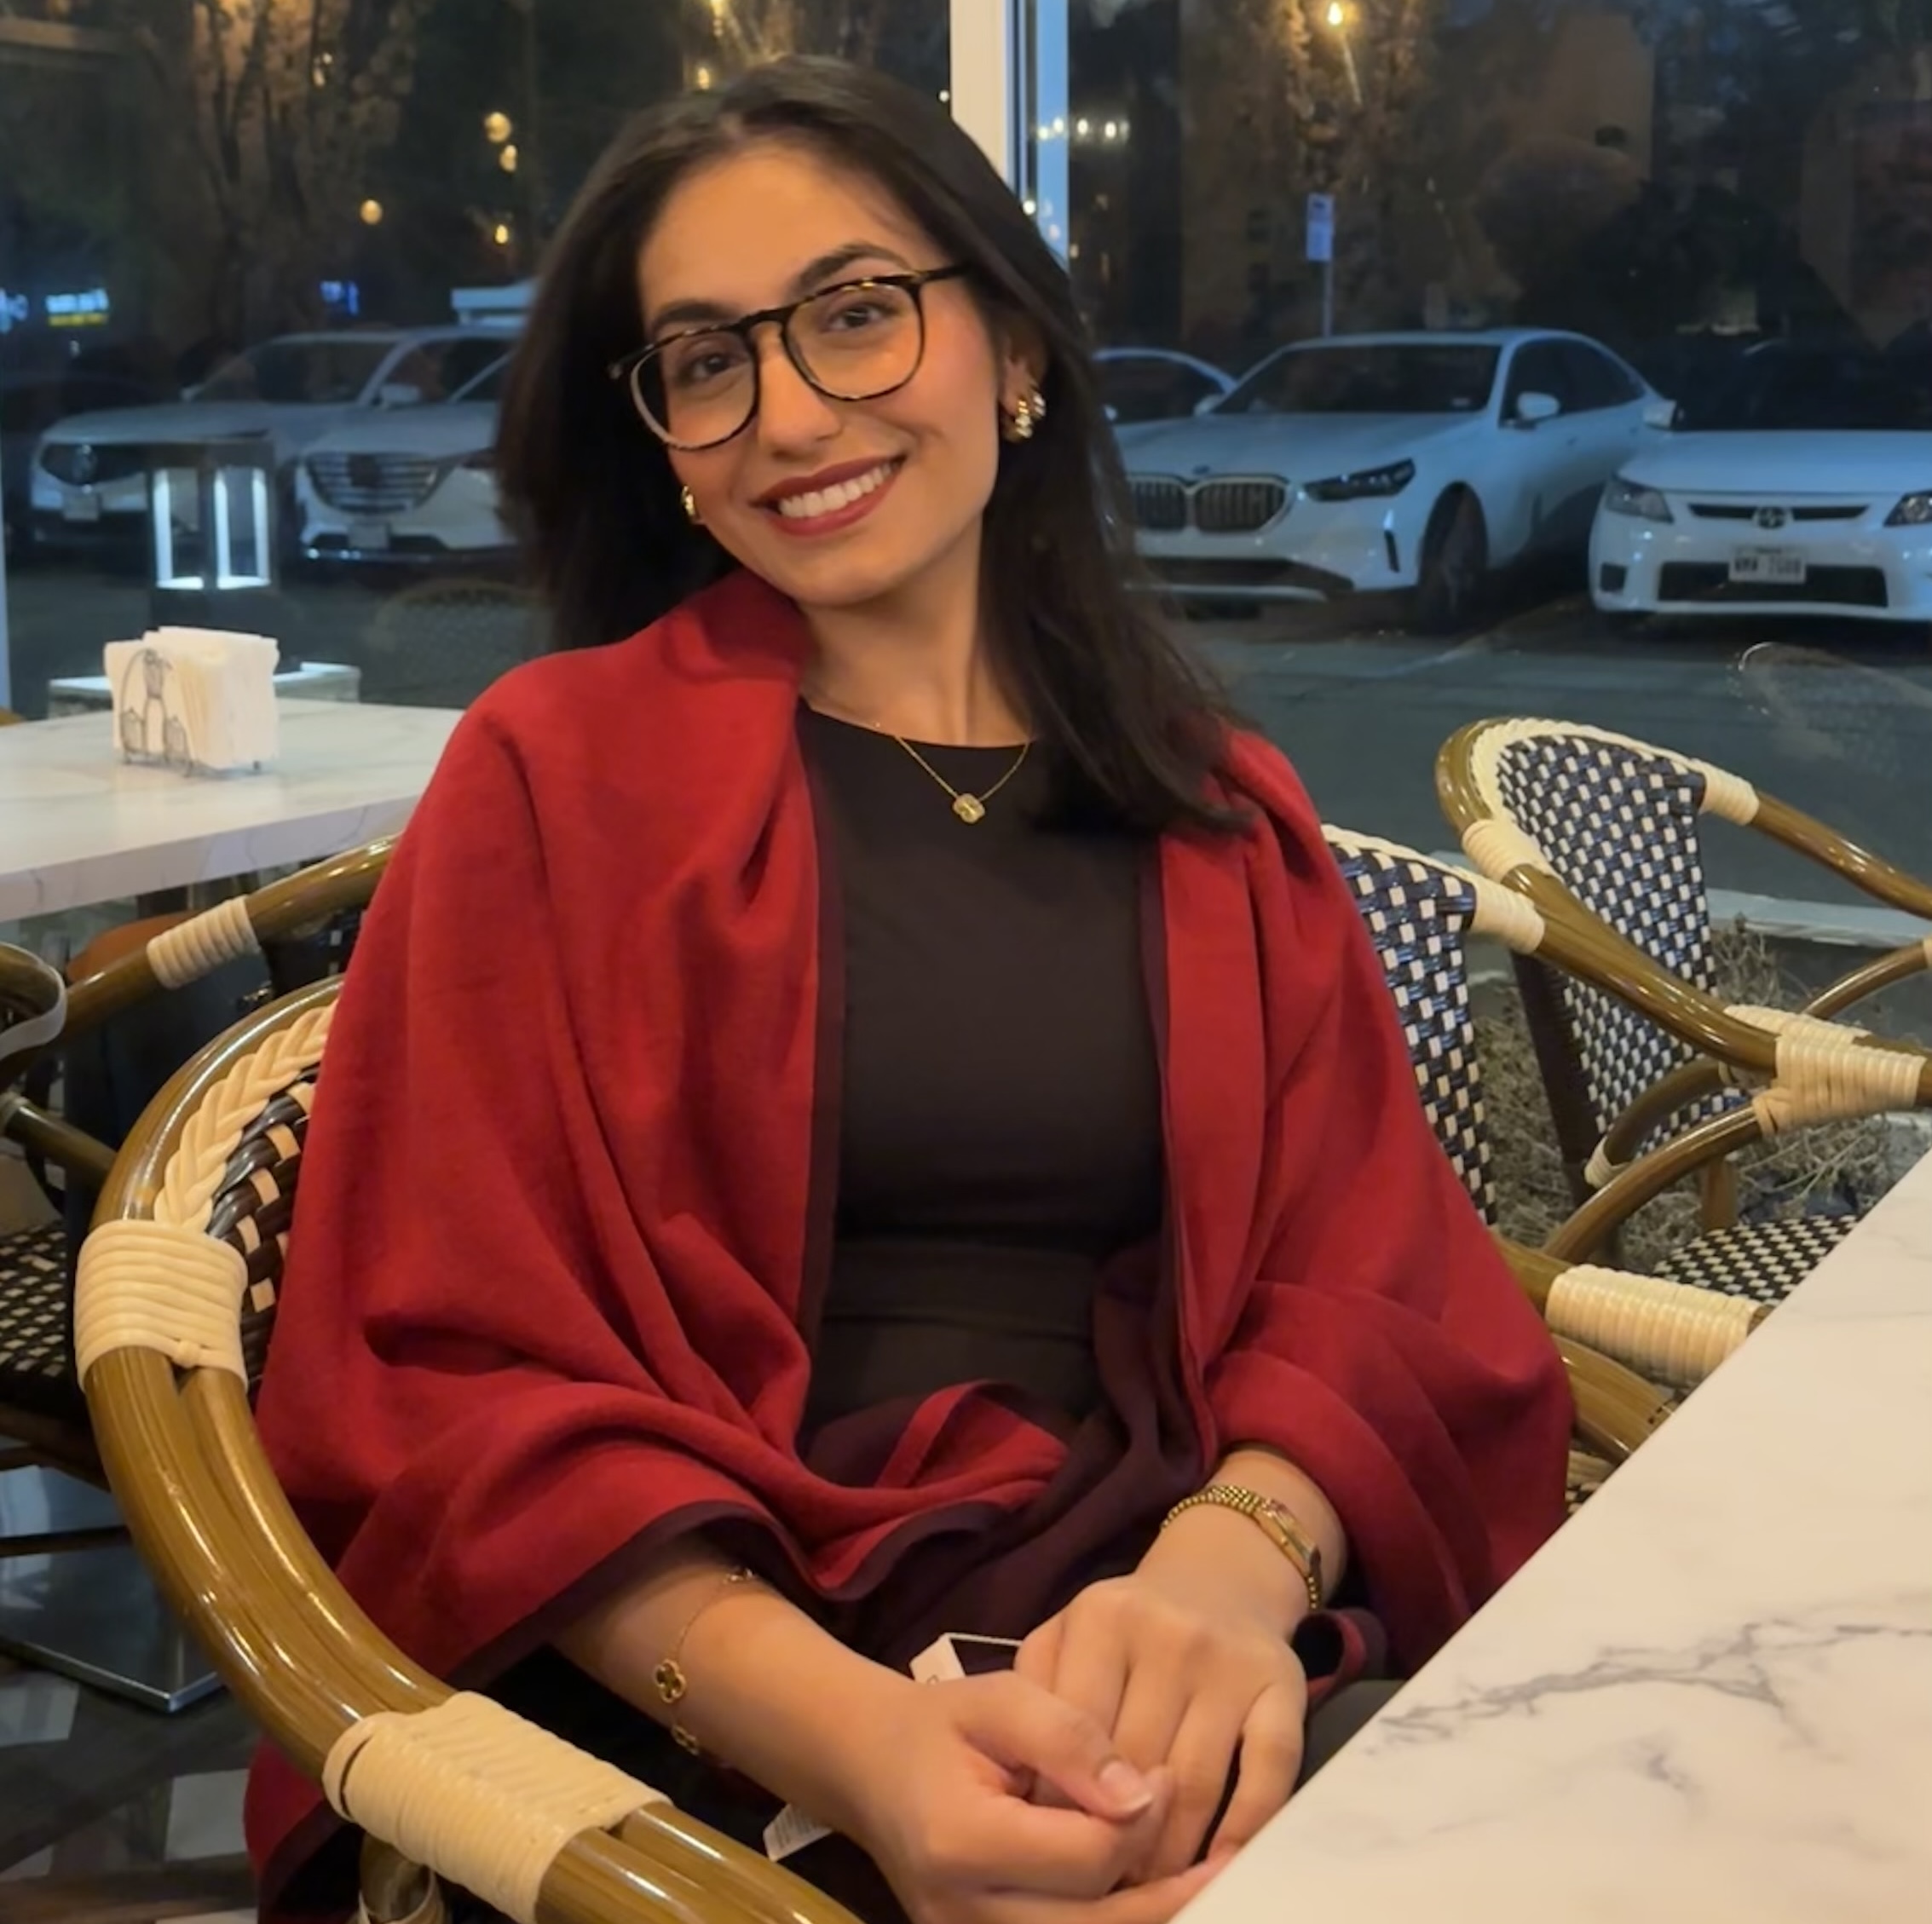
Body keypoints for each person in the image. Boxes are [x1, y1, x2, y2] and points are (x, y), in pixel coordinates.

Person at [245, 56, 1572, 1924]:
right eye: (707, 359)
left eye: (858, 313)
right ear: (664, 437)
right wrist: (864, 1747)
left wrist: (1228, 1573)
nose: (791, 412)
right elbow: (446, 1384)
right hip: (709, 1680)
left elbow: (1370, 1280)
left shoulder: (1215, 808)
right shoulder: (557, 776)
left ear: (1013, 344)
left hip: (1161, 1609)